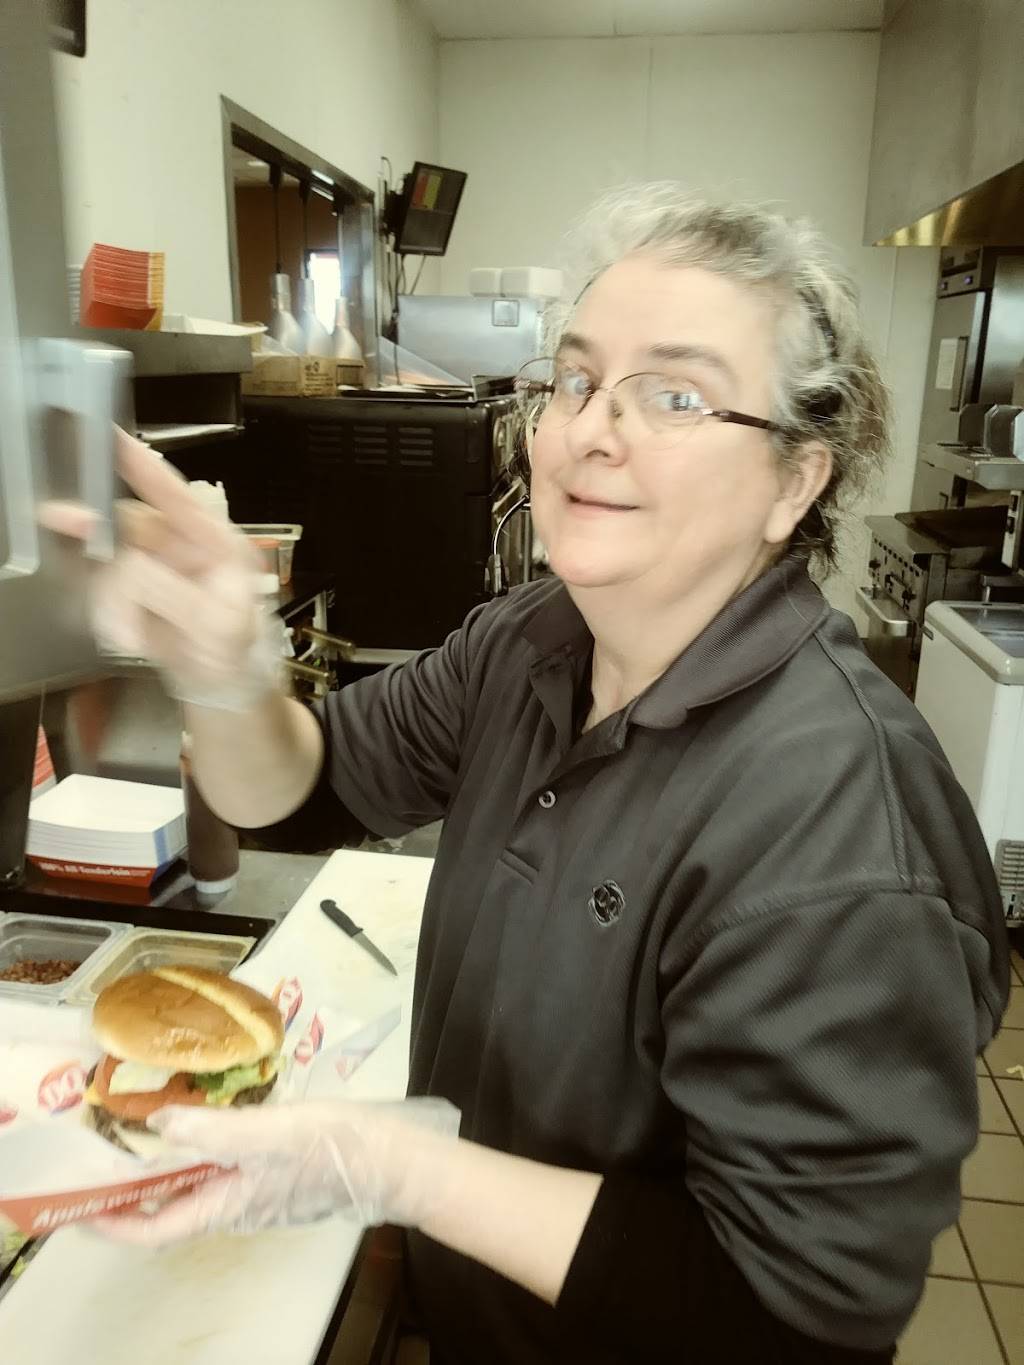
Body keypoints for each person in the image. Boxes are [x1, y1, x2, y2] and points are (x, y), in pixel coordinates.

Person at [50, 184, 1009, 1365]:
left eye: (675, 394)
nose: (592, 429)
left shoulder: (837, 828)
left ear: (793, 483)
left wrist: (395, 1166)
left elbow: (787, 1318)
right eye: (576, 378)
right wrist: (223, 676)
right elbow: (300, 793)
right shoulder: (531, 641)